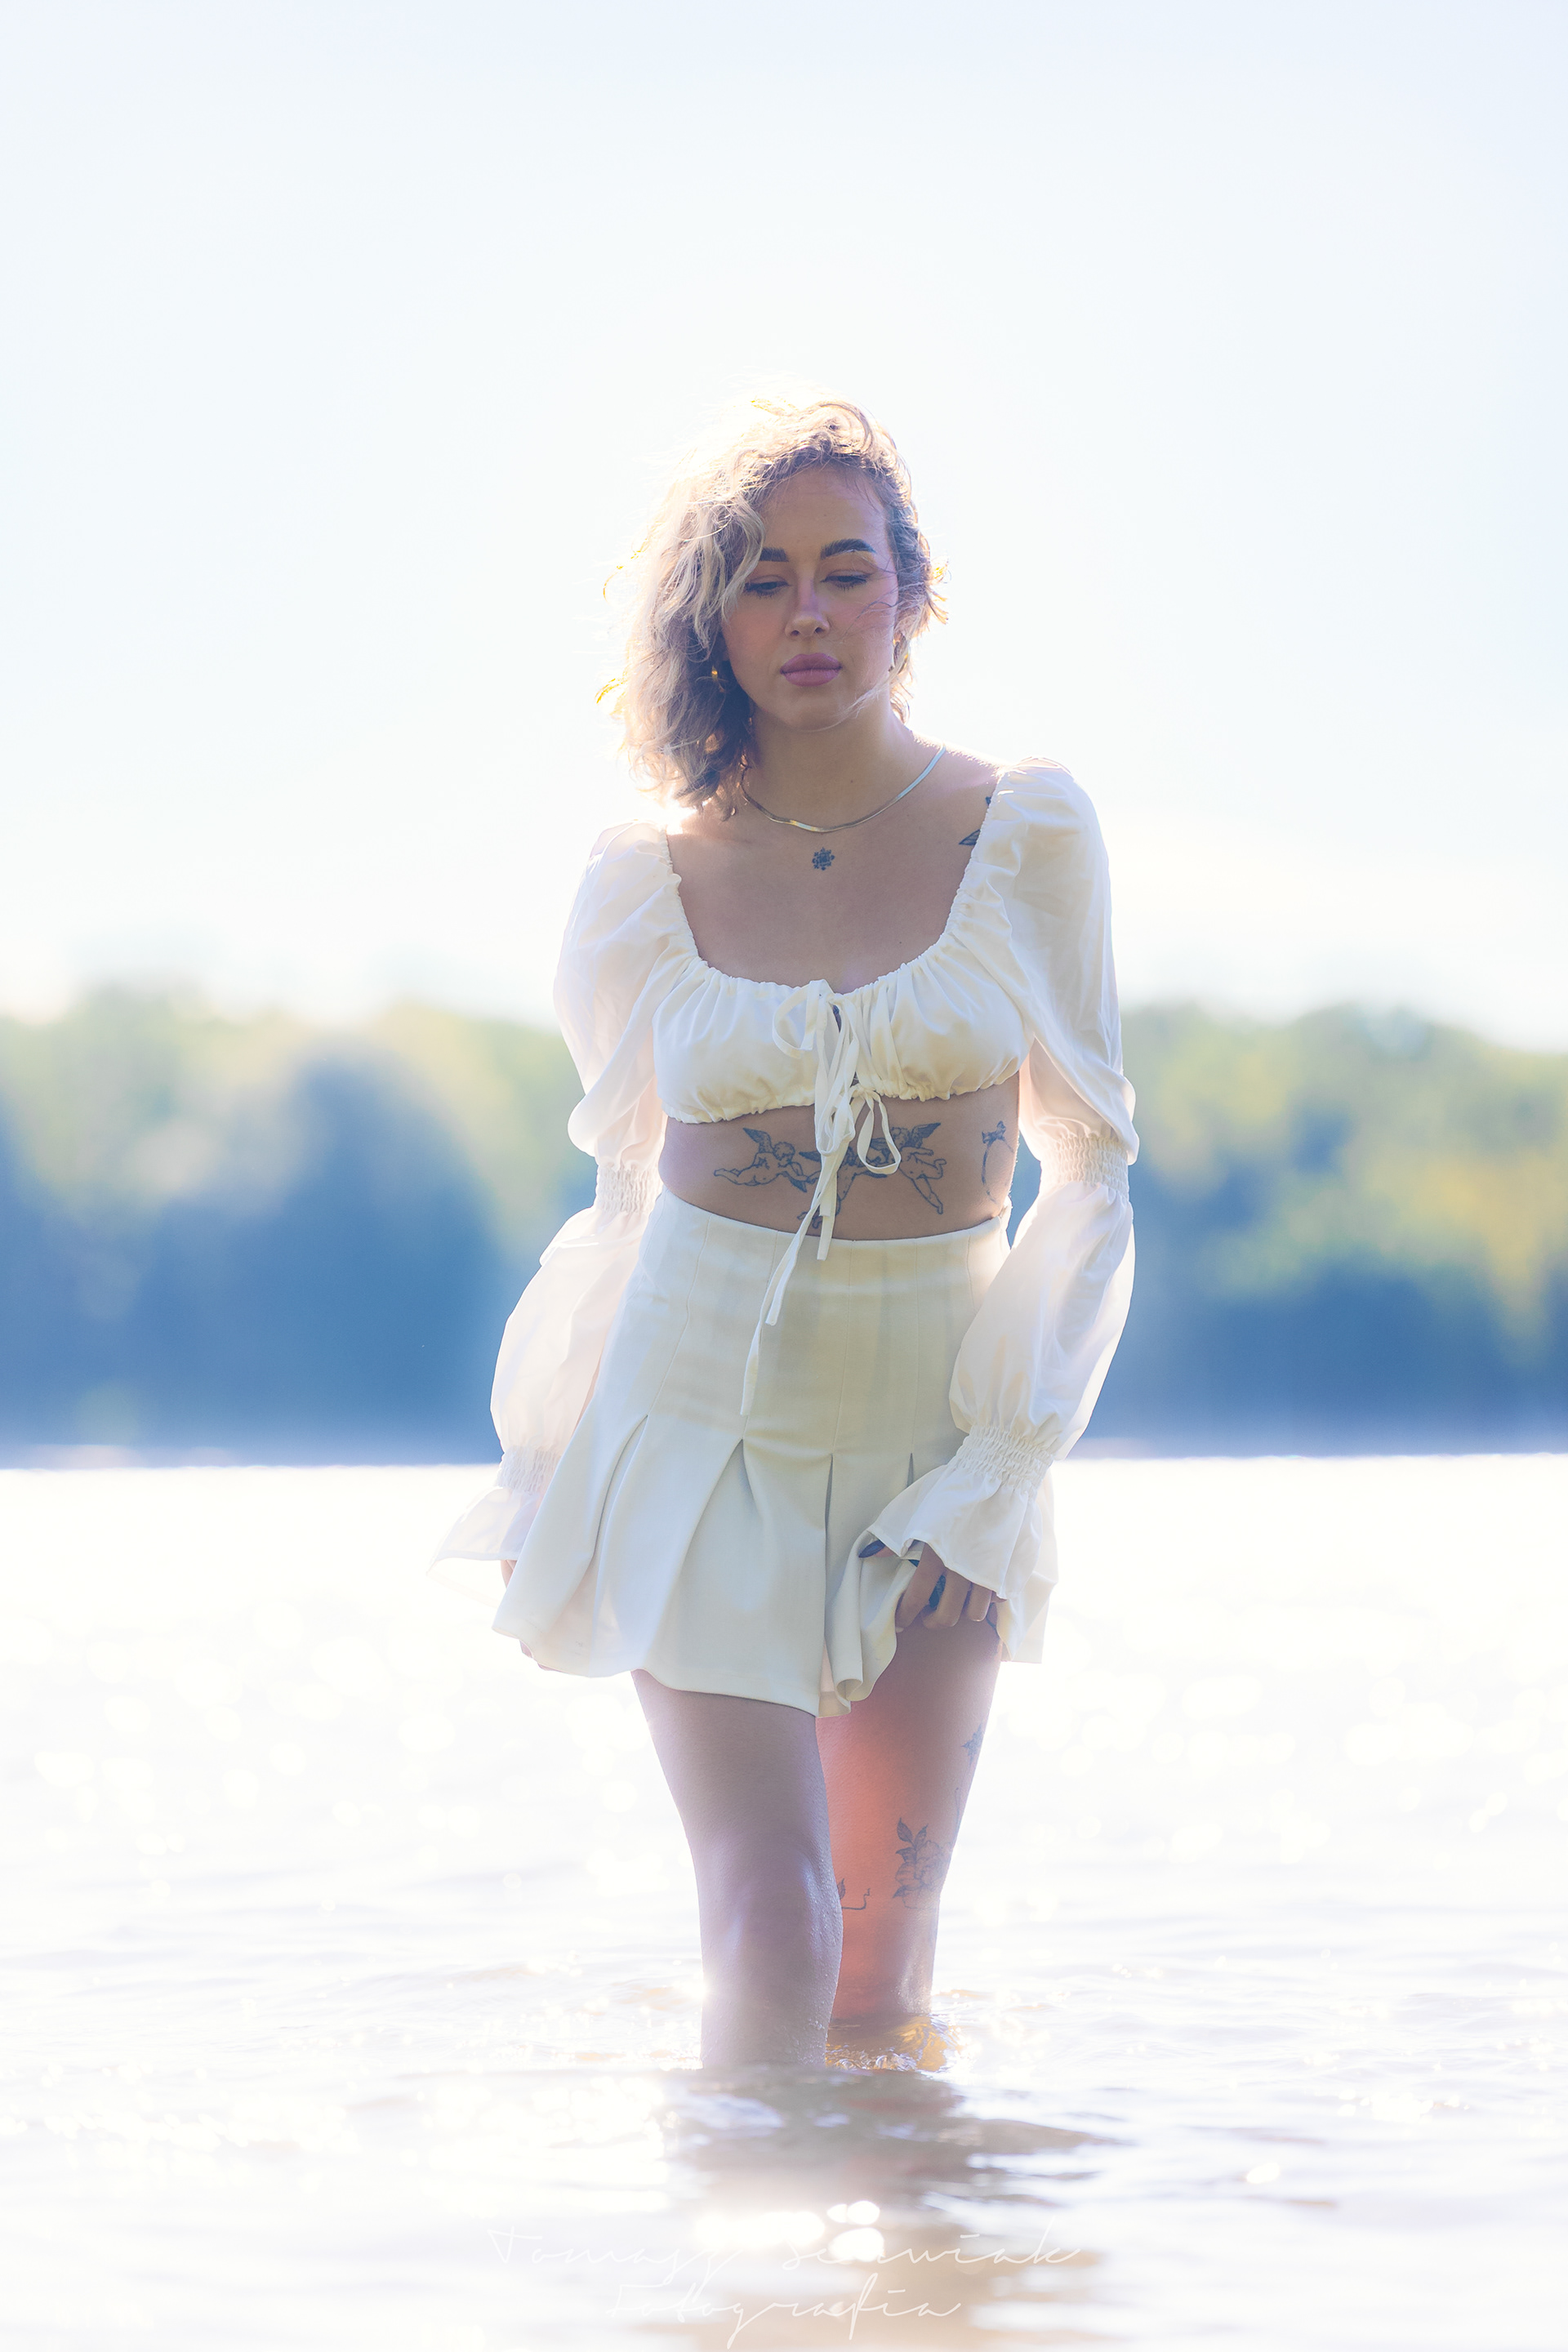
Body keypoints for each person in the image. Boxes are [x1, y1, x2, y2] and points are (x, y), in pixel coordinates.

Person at [436, 396, 1136, 2068]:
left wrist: (1001, 1472)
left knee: (880, 1978)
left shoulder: (1026, 831)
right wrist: (546, 1459)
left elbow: (1092, 1162)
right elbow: (621, 1189)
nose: (808, 614)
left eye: (845, 571)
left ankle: (857, 2239)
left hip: (932, 1436)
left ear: (913, 592)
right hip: (692, 1420)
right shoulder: (643, 877)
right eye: (763, 579)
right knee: (771, 1920)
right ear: (713, 618)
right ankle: (740, 2215)